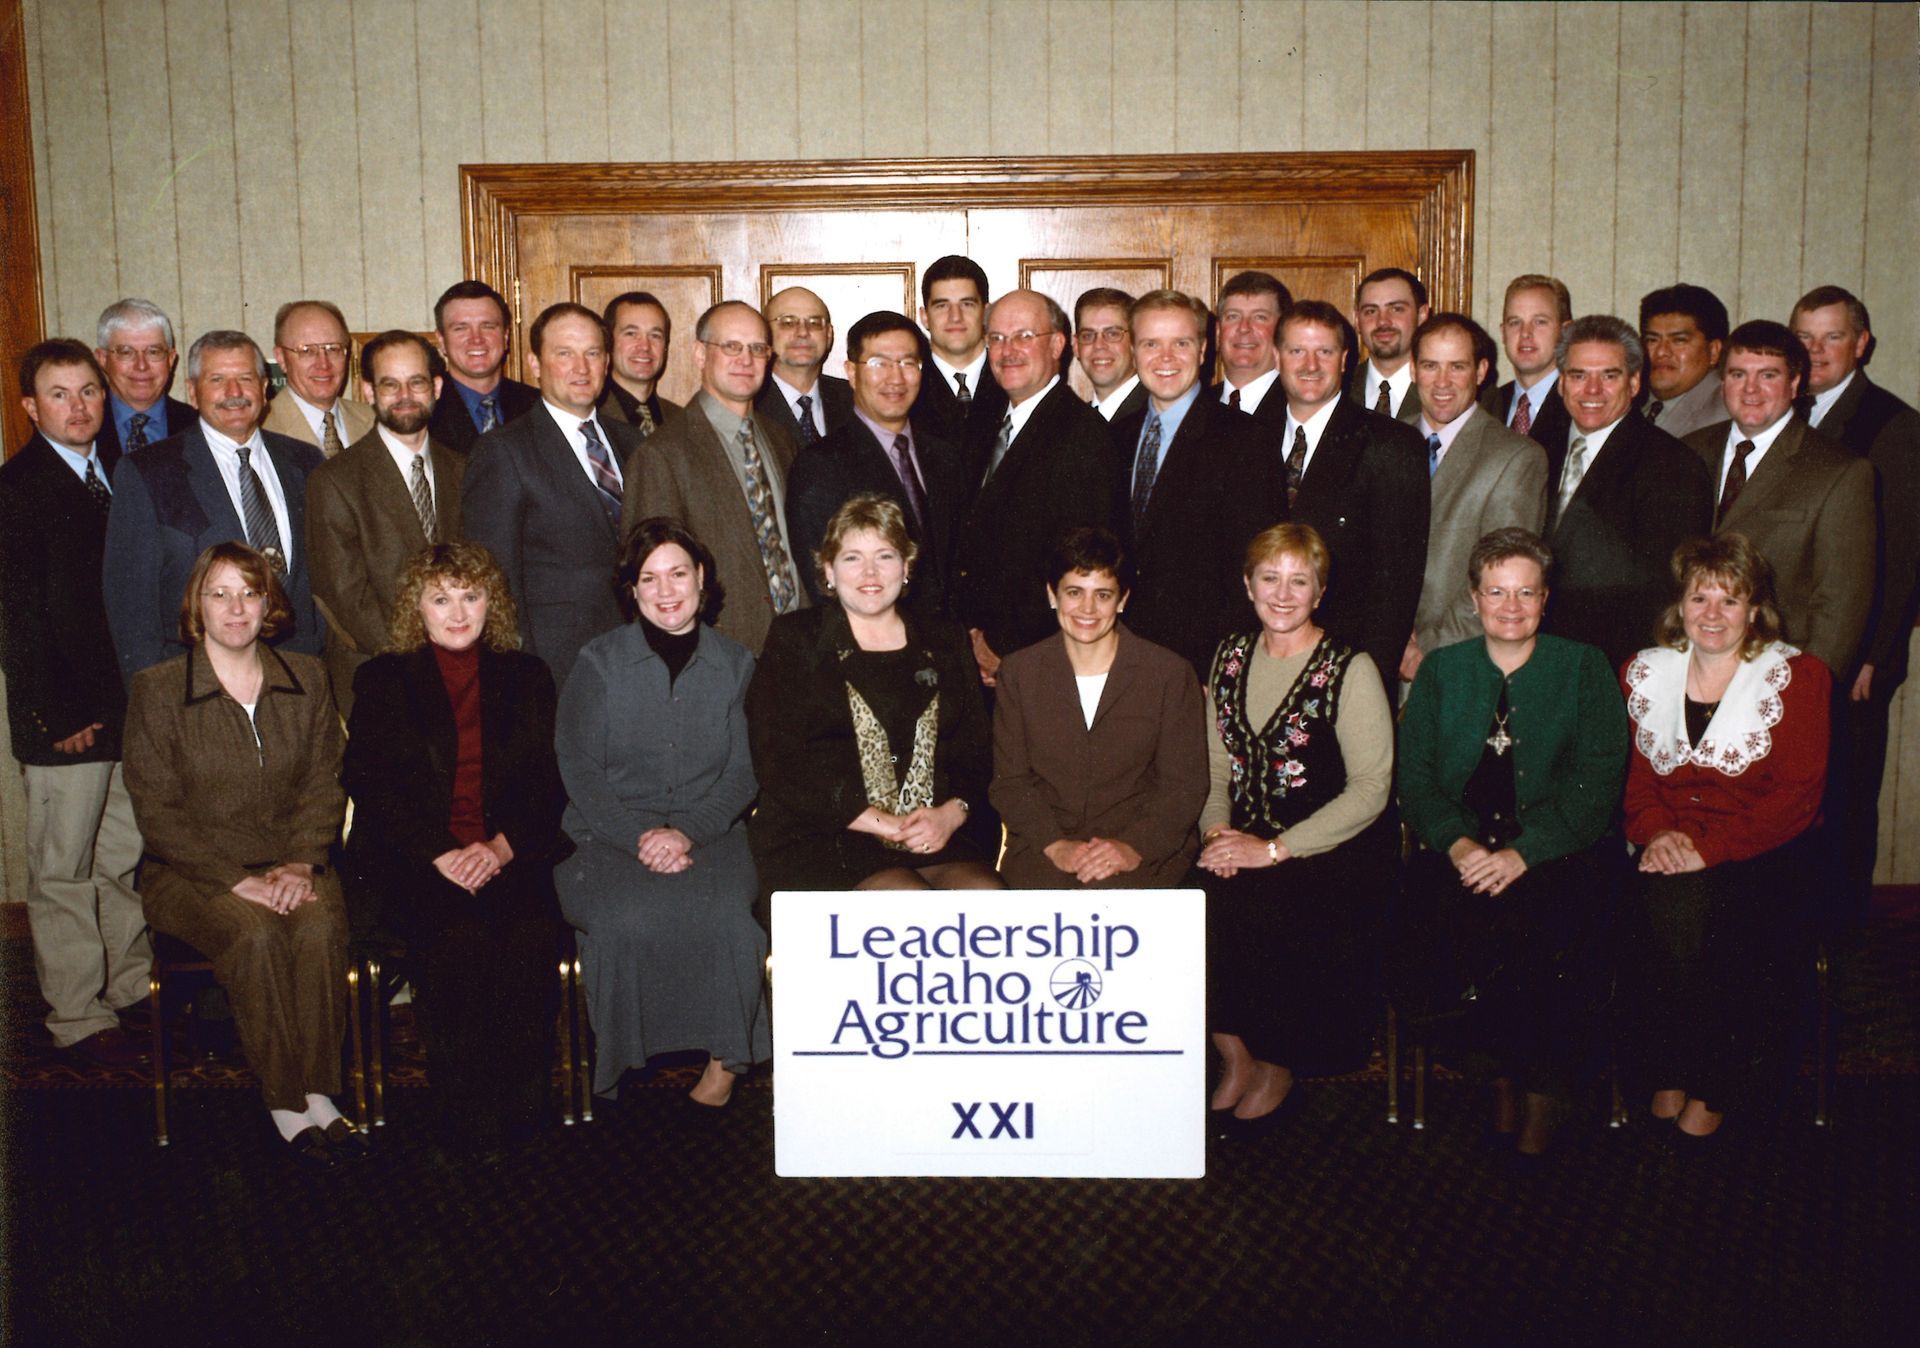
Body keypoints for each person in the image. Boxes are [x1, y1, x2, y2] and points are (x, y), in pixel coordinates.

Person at [1398, 528, 1628, 1165]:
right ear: (1474, 598)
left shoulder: (1583, 666)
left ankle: (1546, 1093)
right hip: (1465, 851)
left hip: (1559, 853)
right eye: (1496, 592)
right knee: (1450, 921)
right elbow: (1414, 780)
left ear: (1545, 598)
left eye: (1526, 592)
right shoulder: (1445, 671)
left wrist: (1527, 853)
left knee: (1546, 928)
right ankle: (1497, 1078)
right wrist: (1459, 844)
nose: (1511, 606)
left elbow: (1598, 781)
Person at [121, 543, 354, 1166]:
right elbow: (157, 812)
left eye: (249, 593)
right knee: (253, 935)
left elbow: (323, 784)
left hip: (290, 861)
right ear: (196, 607)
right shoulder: (159, 690)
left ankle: (317, 1089)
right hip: (189, 874)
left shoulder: (306, 677)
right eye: (219, 593)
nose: (235, 607)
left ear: (269, 604)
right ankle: (284, 1100)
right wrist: (234, 880)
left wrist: (302, 863)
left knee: (321, 925)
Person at [342, 541, 568, 1151]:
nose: (458, 611)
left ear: (491, 603)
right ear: (417, 608)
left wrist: (499, 848)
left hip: (508, 855)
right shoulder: (385, 679)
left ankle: (525, 1114)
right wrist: (441, 853)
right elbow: (371, 782)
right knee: (457, 942)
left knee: (527, 937)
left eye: (471, 595)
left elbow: (549, 782)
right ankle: (464, 1118)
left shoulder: (527, 676)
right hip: (417, 862)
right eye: (441, 598)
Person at [1619, 534, 1831, 1145]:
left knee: (1719, 917)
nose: (1712, 614)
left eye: (1729, 601)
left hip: (1764, 848)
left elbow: (1796, 798)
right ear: (1679, 606)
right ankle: (1667, 1068)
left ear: (1756, 610)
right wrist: (1658, 834)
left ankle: (1715, 1082)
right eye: (1699, 598)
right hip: (1667, 842)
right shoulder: (1647, 671)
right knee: (1651, 907)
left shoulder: (1797, 676)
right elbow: (1635, 780)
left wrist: (1706, 850)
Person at [555, 519, 768, 1105]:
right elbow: (579, 770)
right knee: (625, 925)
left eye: (678, 573)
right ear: (631, 589)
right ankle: (622, 1065)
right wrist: (640, 836)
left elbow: (745, 771)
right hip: (608, 835)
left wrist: (687, 832)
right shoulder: (597, 662)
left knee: (730, 924)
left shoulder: (737, 664)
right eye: (649, 578)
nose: (666, 590)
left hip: (713, 832)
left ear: (701, 578)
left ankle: (724, 1067)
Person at [1197, 523, 1394, 1129]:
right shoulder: (1228, 655)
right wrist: (1216, 838)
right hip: (1237, 836)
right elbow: (1213, 765)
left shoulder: (1349, 666)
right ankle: (1235, 1054)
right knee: (1193, 898)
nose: (1283, 595)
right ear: (1248, 584)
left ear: (1320, 590)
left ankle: (1280, 1061)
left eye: (1299, 581)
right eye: (1270, 579)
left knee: (1274, 907)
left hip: (1325, 848)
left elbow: (1371, 790)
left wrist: (1275, 850)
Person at [748, 495, 1001, 899]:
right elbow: (779, 761)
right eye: (852, 558)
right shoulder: (796, 639)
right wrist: (883, 824)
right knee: (904, 903)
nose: (870, 572)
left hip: (932, 833)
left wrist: (952, 814)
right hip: (827, 835)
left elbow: (977, 751)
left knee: (986, 897)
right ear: (828, 570)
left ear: (906, 567)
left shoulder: (946, 641)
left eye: (884, 556)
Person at [990, 528, 1207, 889]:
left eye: (1102, 595)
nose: (1087, 610)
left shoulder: (1169, 673)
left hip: (1144, 850)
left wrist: (1132, 847)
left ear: (1122, 600)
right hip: (1046, 848)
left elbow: (1183, 787)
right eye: (1074, 592)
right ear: (1052, 595)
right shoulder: (1019, 672)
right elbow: (1010, 783)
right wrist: (1056, 845)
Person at [462, 301, 641, 693]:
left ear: (607, 361)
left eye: (592, 353)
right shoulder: (504, 451)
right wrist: (523, 677)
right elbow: (495, 579)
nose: (581, 368)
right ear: (535, 364)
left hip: (640, 654)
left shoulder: (632, 442)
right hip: (556, 669)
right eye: (564, 354)